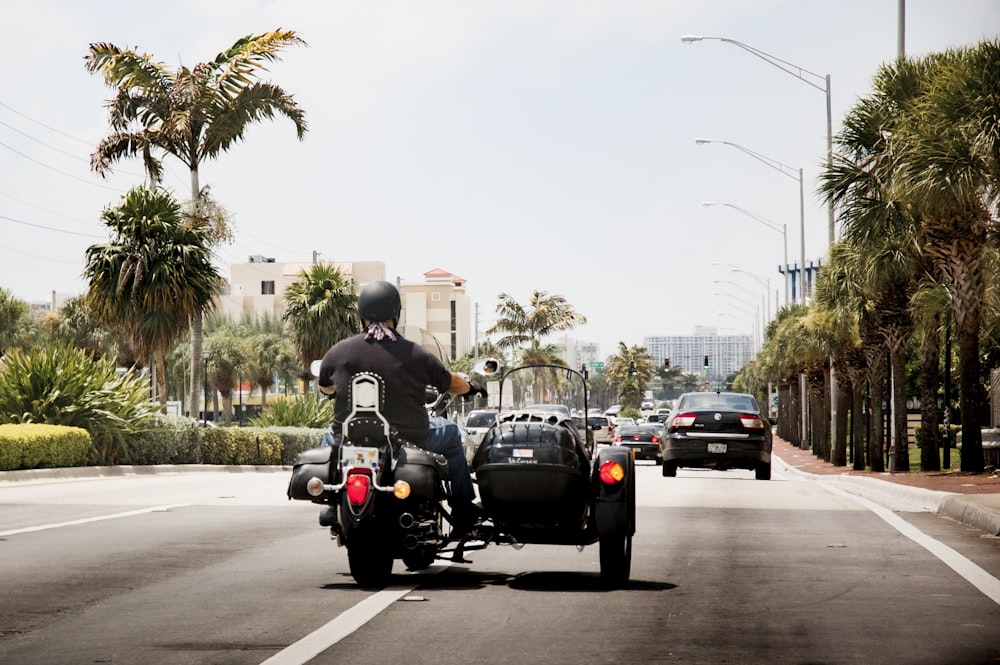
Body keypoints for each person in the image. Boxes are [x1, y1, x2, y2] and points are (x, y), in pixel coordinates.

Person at [316, 280, 485, 536]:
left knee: (329, 434)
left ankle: (331, 503)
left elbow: (326, 387)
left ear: (361, 315)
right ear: (396, 313)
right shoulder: (415, 353)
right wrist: (471, 386)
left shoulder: (339, 352)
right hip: (409, 439)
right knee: (450, 432)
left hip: (349, 439)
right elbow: (451, 383)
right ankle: (462, 510)